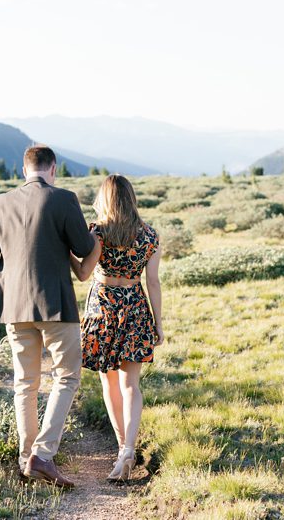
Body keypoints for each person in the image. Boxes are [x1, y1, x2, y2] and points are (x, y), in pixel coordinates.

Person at [0, 145, 99, 488]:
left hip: (14, 306)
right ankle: (43, 456)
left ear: (23, 170)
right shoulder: (64, 199)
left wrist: (9, 281)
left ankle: (25, 457)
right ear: (53, 169)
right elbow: (84, 250)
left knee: (25, 384)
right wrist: (94, 234)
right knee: (66, 377)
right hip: (56, 303)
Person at [70, 174, 164, 482]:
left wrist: (69, 254)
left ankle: (123, 447)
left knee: (109, 383)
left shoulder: (96, 233)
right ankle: (128, 451)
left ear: (105, 199)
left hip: (103, 309)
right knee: (131, 385)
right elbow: (153, 282)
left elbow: (84, 273)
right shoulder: (149, 235)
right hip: (136, 308)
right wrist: (157, 324)